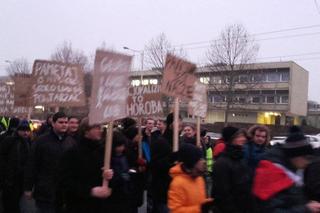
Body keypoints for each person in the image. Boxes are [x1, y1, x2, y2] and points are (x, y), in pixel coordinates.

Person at [253, 126, 320, 212]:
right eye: (306, 157)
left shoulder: (293, 170)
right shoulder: (272, 173)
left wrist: (307, 204)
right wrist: (306, 208)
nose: (307, 162)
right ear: (296, 156)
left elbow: (291, 200)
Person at [57, 118, 113, 213]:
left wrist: (108, 175)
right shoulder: (72, 152)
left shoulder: (102, 151)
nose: (101, 130)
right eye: (97, 128)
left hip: (99, 206)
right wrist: (90, 191)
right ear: (86, 131)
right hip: (78, 206)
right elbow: (64, 181)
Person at [24, 112, 70, 213]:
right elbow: (32, 164)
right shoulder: (41, 141)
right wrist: (28, 187)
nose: (64, 124)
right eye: (61, 122)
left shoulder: (70, 142)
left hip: (63, 193)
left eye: (66, 122)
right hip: (45, 191)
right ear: (53, 123)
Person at [211, 127, 254, 213]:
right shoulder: (222, 162)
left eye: (243, 136)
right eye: (239, 137)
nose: (243, 139)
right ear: (230, 139)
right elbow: (222, 193)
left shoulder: (240, 158)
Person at [168, 144, 213, 213]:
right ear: (191, 163)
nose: (203, 162)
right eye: (199, 159)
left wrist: (208, 203)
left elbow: (199, 201)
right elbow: (176, 210)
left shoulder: (199, 179)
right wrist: (200, 209)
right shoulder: (178, 184)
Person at [0, 120, 33, 213]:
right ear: (18, 130)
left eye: (27, 130)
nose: (26, 132)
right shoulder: (10, 140)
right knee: (10, 204)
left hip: (20, 179)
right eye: (23, 130)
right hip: (9, 179)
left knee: (16, 202)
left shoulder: (28, 142)